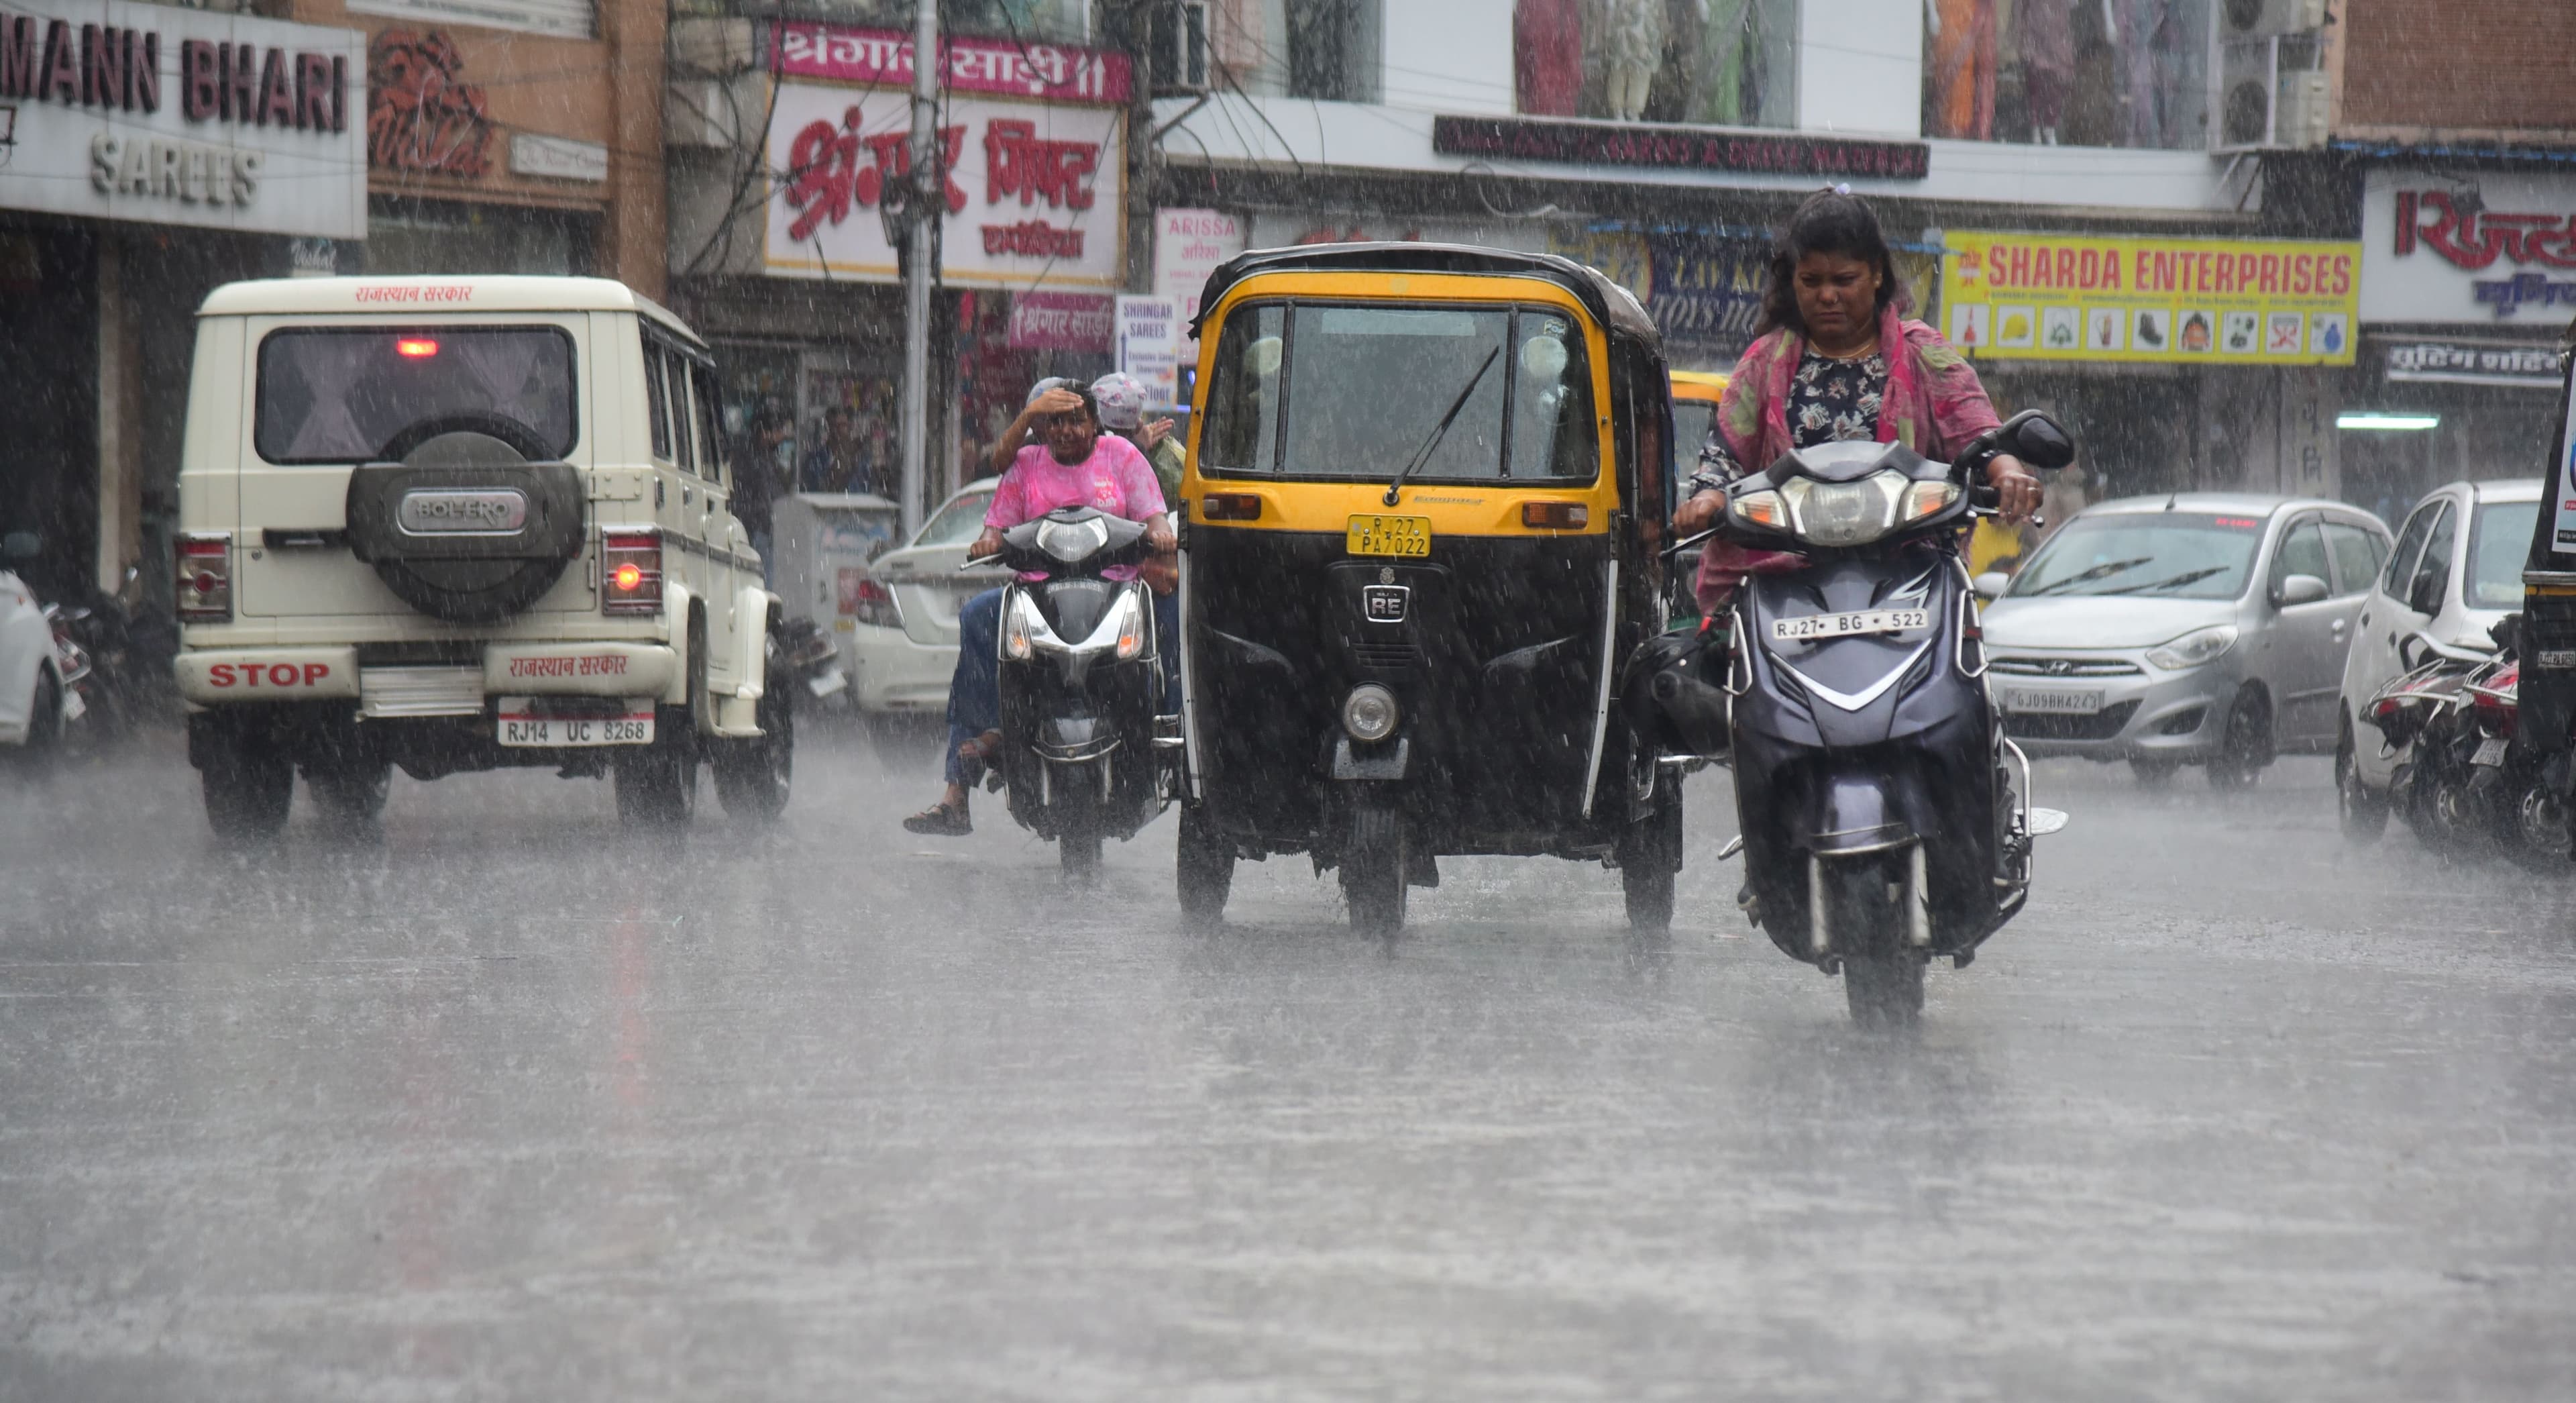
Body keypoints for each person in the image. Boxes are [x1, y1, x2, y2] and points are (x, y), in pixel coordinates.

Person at [1672, 189, 2040, 616]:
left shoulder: (1925, 354)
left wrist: (2007, 472)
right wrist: (1708, 502)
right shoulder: (1763, 362)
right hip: (1783, 586)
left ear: (1878, 275)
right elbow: (1723, 459)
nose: (1827, 296)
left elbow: (1979, 437)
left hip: (1911, 582)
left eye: (1844, 281)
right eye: (1812, 282)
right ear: (1793, 281)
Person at [903, 380, 1177, 836]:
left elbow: (1155, 517)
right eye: (1056, 421)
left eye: (1076, 420)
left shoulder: (1124, 457)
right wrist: (988, 540)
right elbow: (996, 525)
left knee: (1164, 619)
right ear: (1041, 426)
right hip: (1037, 597)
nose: (1066, 430)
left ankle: (1167, 734)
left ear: (1095, 424)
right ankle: (960, 785)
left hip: (1113, 593)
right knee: (976, 617)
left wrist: (1160, 532)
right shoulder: (1026, 463)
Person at [799, 407, 865, 494]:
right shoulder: (815, 458)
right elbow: (811, 489)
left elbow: (865, 490)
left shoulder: (860, 458)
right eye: (834, 425)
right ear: (828, 427)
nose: (838, 430)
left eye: (843, 425)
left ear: (850, 427)